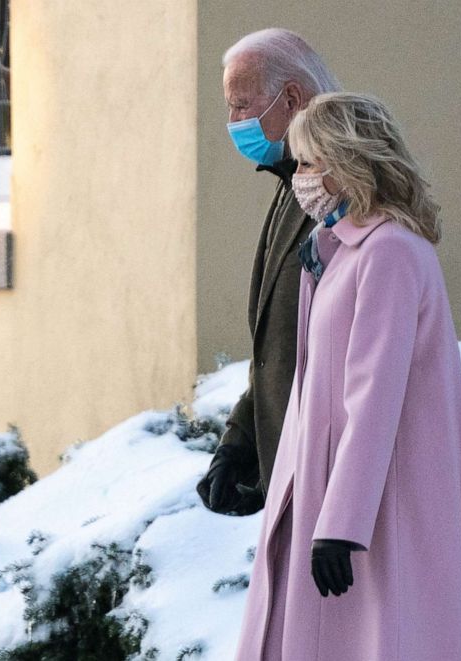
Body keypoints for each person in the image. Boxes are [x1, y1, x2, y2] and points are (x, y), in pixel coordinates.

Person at [234, 91, 461, 660]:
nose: (298, 177)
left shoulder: (391, 254)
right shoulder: (341, 251)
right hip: (338, 498)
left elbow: (373, 397)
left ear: (346, 162)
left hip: (380, 511)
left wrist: (342, 523)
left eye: (307, 163)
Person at [197, 29, 341, 515]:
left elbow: (346, 360)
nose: (233, 122)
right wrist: (238, 444)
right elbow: (280, 351)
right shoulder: (294, 182)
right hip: (300, 488)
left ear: (293, 98)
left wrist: (342, 517)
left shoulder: (339, 195)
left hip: (332, 494)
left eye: (241, 105)